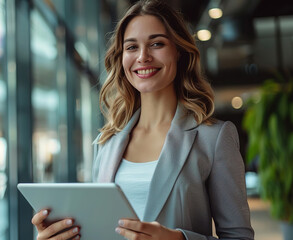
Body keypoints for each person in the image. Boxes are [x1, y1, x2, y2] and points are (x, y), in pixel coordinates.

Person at [31, 0, 254, 239]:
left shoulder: (213, 138)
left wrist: (179, 239)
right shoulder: (106, 144)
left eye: (157, 44)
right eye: (131, 47)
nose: (143, 57)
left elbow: (238, 236)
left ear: (179, 51)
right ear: (122, 57)